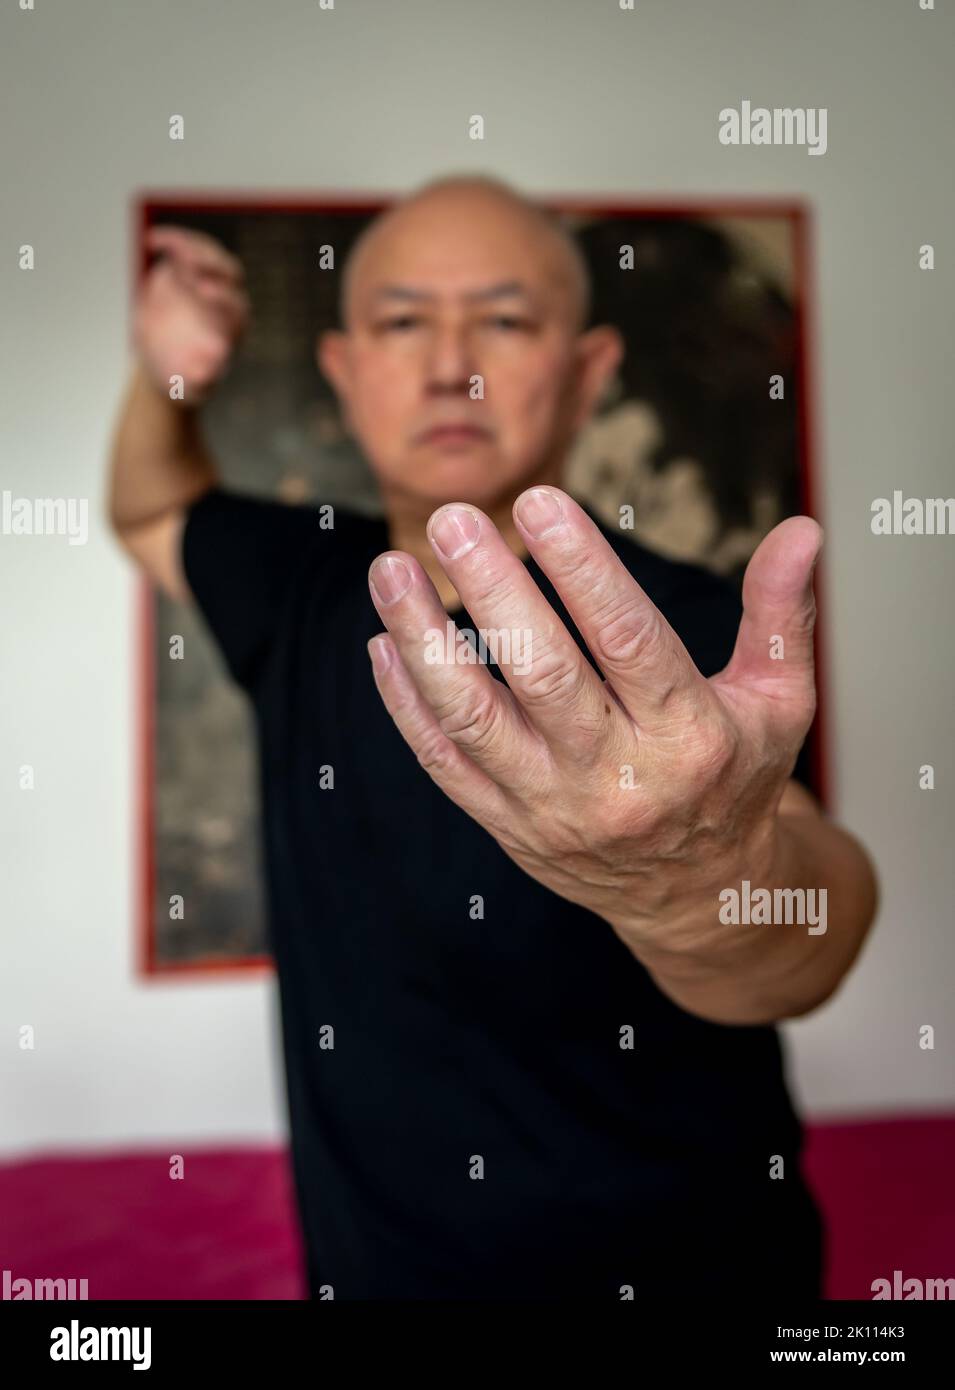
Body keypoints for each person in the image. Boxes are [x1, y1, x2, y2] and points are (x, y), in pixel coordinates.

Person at [107, 174, 878, 1300]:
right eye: (403, 319)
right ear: (344, 370)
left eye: (505, 320)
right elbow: (146, 505)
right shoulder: (299, 587)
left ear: (590, 372)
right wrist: (169, 376)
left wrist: (692, 885)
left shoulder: (697, 629)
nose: (448, 361)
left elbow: (814, 927)